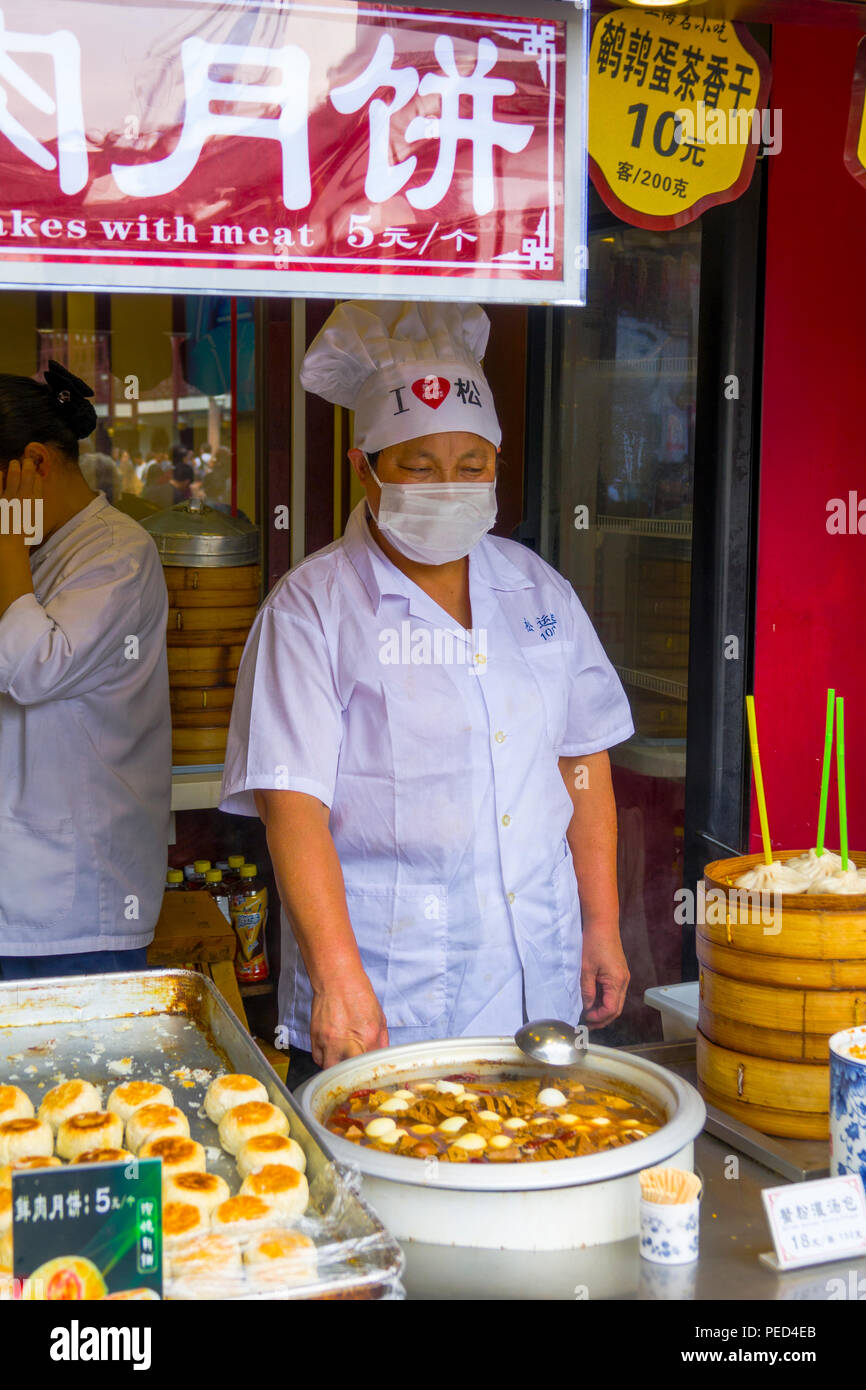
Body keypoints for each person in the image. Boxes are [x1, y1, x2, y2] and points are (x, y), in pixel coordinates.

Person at [220, 302, 634, 1086]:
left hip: (537, 984)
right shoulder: (312, 609)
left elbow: (583, 759)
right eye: (418, 467)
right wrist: (338, 976)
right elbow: (290, 805)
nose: (449, 487)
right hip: (388, 997)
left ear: (498, 464)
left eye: (471, 466)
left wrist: (601, 924)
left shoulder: (537, 589)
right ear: (363, 468)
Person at [0, 361, 172, 979]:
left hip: (75, 903)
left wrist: (7, 541)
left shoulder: (118, 554)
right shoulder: (26, 551)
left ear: (36, 466)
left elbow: (34, 667)